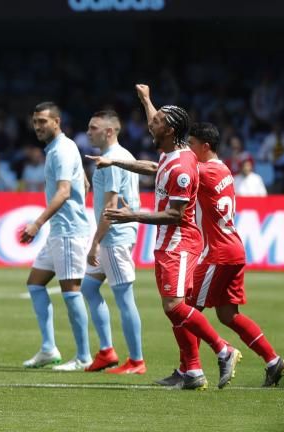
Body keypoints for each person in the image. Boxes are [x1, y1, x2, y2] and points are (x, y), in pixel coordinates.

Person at [92, 84, 240, 390]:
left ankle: (223, 350)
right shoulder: (171, 154)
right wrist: (145, 100)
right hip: (166, 243)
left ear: (170, 130)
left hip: (180, 242)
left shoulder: (183, 166)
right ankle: (193, 372)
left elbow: (175, 214)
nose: (150, 125)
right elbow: (151, 166)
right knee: (173, 309)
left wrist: (130, 215)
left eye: (156, 122)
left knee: (175, 306)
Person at [182, 122, 284, 387]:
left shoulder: (203, 170)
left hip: (217, 253)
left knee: (185, 310)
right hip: (234, 250)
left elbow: (173, 172)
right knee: (227, 315)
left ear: (205, 147)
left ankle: (192, 370)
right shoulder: (225, 171)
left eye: (192, 144)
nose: (189, 149)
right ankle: (273, 361)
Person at [18, 102, 92, 371]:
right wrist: (82, 177)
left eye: (43, 122)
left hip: (70, 232)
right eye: (35, 121)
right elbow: (81, 180)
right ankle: (49, 349)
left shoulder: (60, 150)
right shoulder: (66, 146)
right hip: (59, 231)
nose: (37, 126)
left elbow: (63, 192)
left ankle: (84, 357)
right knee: (35, 283)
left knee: (71, 292)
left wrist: (37, 223)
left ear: (57, 122)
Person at [80, 110, 145, 374]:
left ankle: (137, 360)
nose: (88, 132)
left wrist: (96, 242)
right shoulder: (122, 156)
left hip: (114, 237)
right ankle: (107, 352)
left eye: (93, 127)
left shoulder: (113, 160)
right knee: (88, 287)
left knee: (123, 297)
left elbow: (111, 205)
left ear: (109, 131)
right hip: (114, 235)